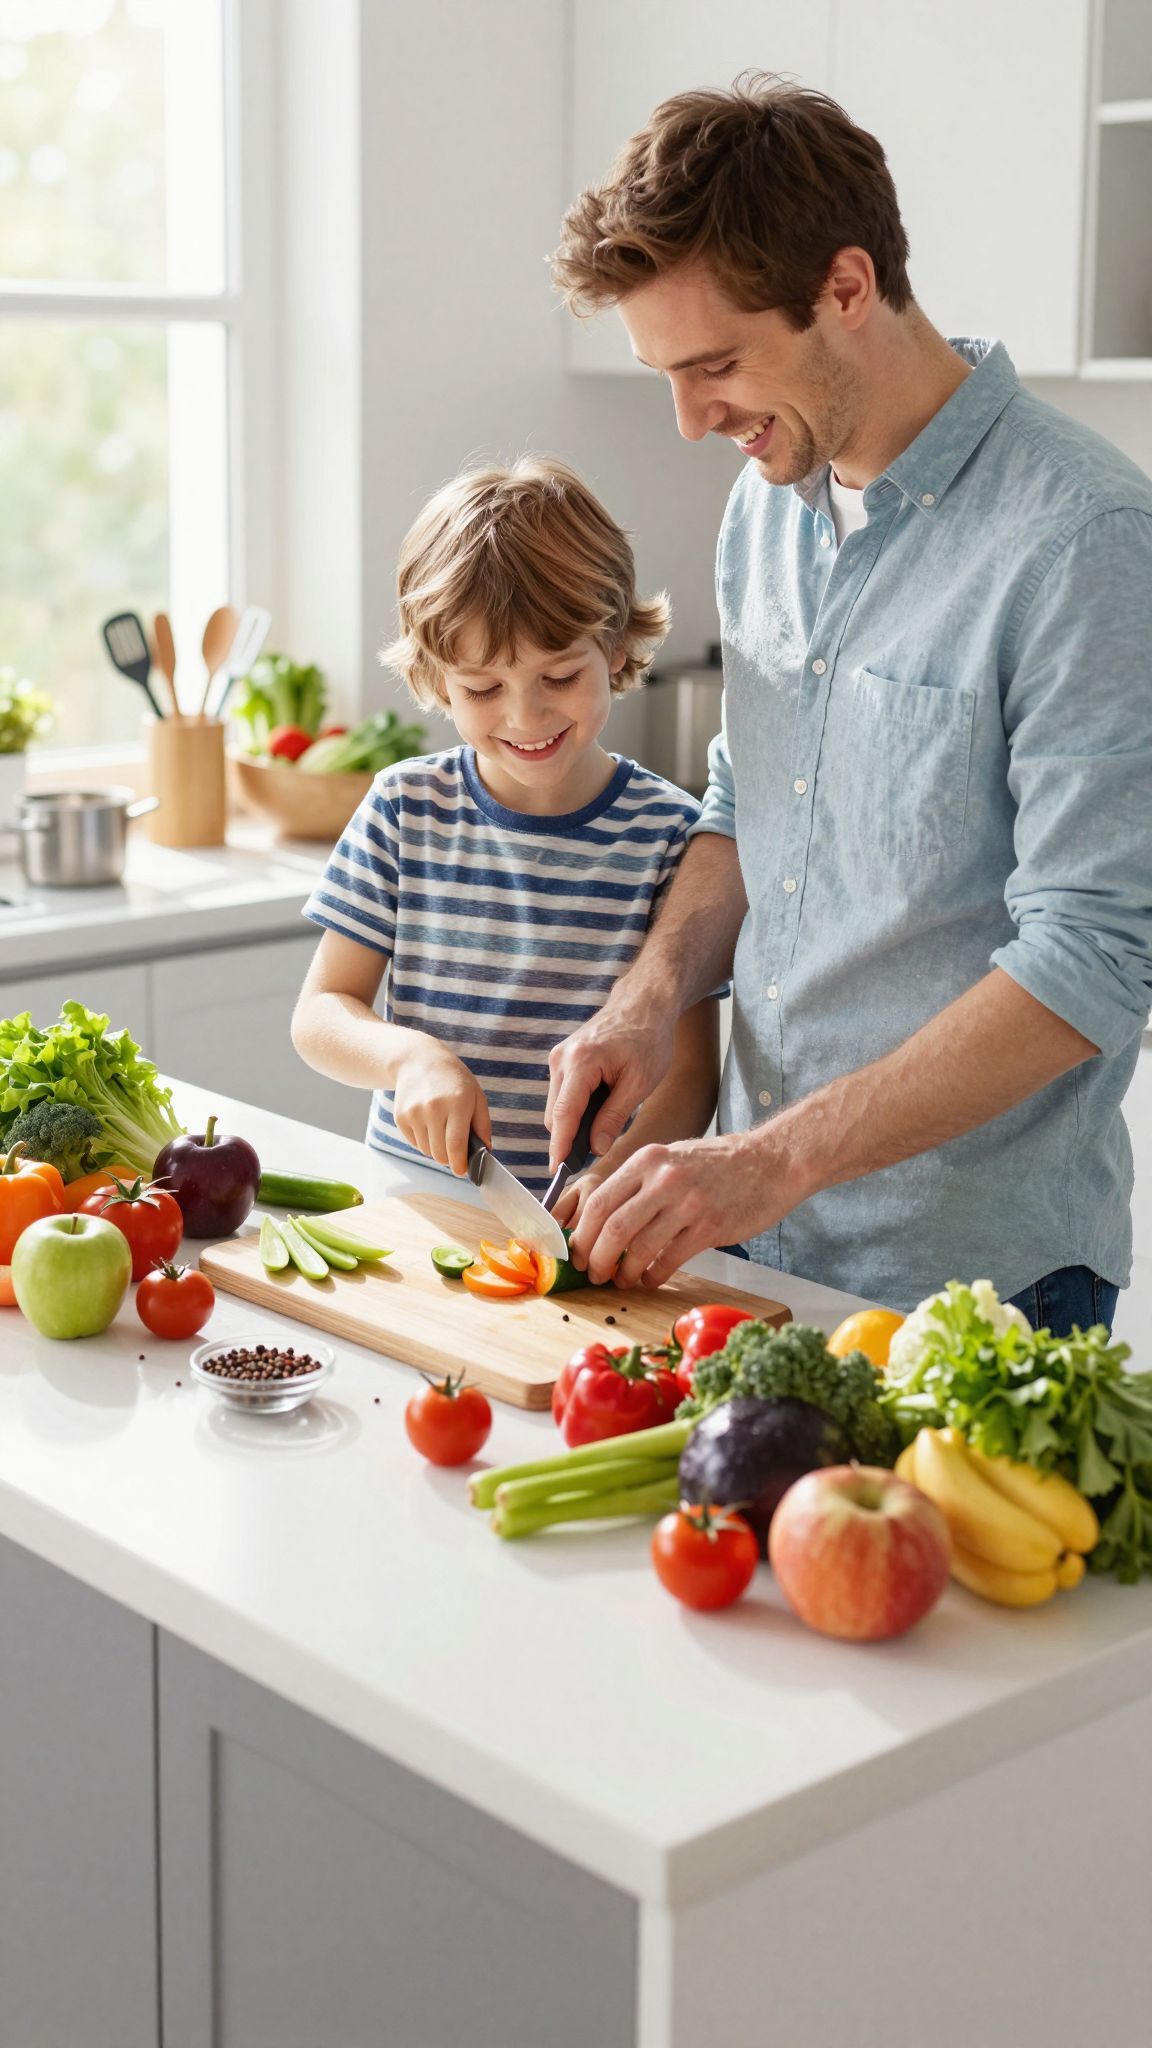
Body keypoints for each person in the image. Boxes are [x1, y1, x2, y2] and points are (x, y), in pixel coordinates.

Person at [544, 76, 1152, 1331]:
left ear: (848, 286)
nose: (691, 415)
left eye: (714, 364)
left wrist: (768, 1158)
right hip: (755, 1243)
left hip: (979, 1285)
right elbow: (740, 805)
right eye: (665, 372)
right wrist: (651, 997)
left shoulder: (1083, 539)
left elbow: (1090, 959)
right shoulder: (766, 503)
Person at [291, 455, 720, 1197]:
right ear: (434, 681)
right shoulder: (404, 808)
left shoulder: (673, 839)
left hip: (589, 1229)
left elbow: (689, 1076)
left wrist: (617, 1181)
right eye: (483, 688)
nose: (527, 716)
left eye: (560, 677)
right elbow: (322, 1013)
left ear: (616, 647)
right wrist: (408, 1059)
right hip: (415, 1209)